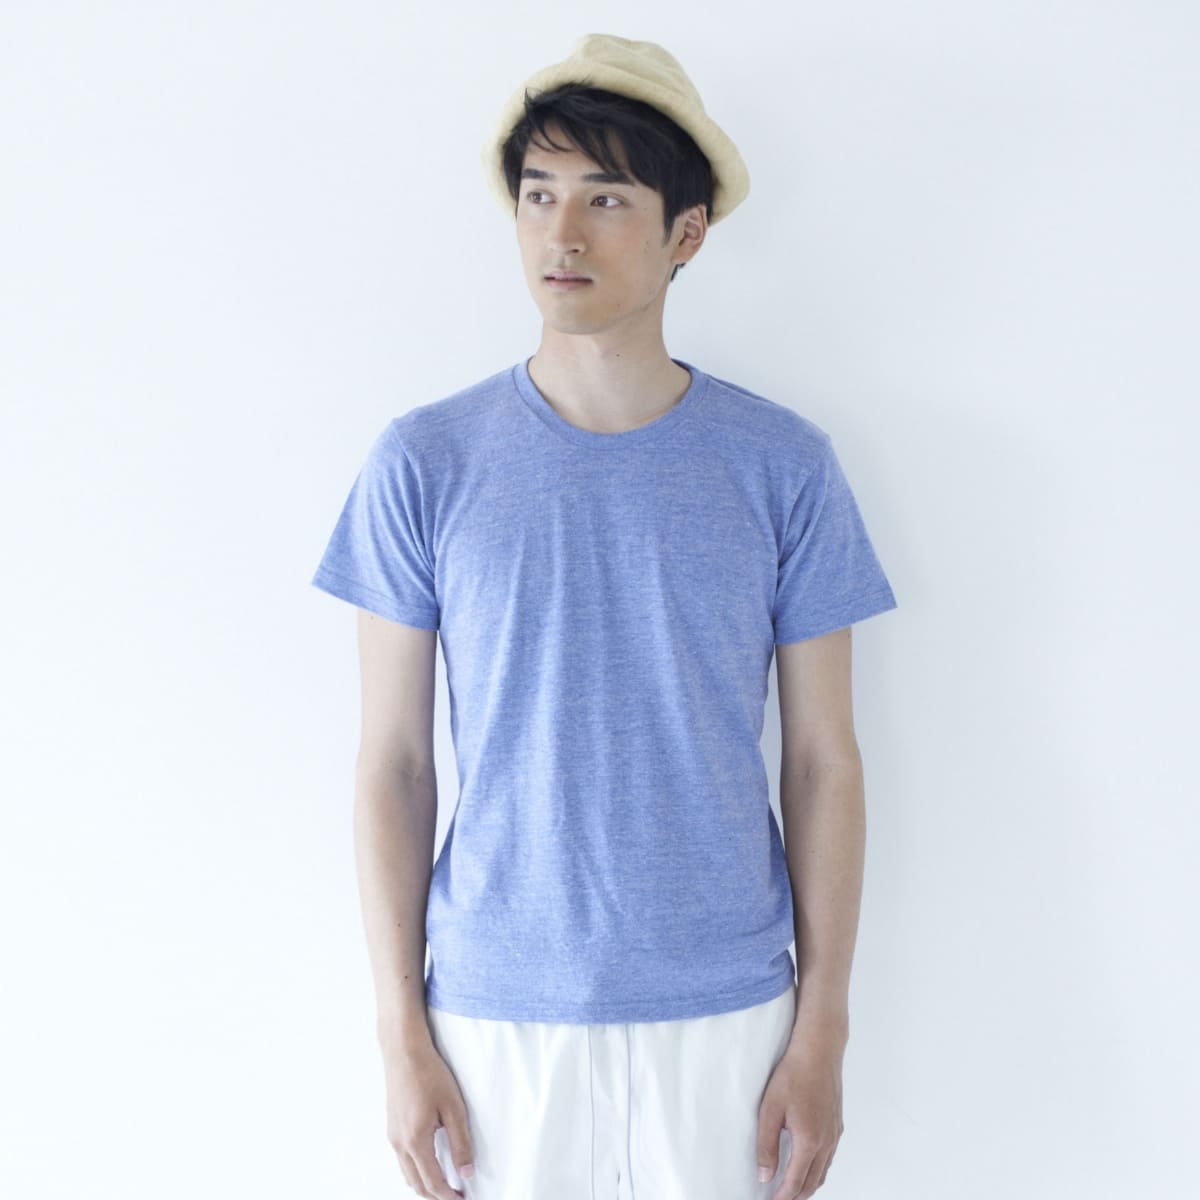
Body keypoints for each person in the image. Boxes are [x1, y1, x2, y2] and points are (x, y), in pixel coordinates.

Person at [310, 32, 899, 1200]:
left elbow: (823, 762)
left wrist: (823, 1025)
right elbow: (393, 765)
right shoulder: (424, 462)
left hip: (728, 1018)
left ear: (688, 234)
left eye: (606, 197)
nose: (562, 233)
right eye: (539, 195)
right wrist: (399, 1031)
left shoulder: (783, 466)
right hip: (493, 1023)